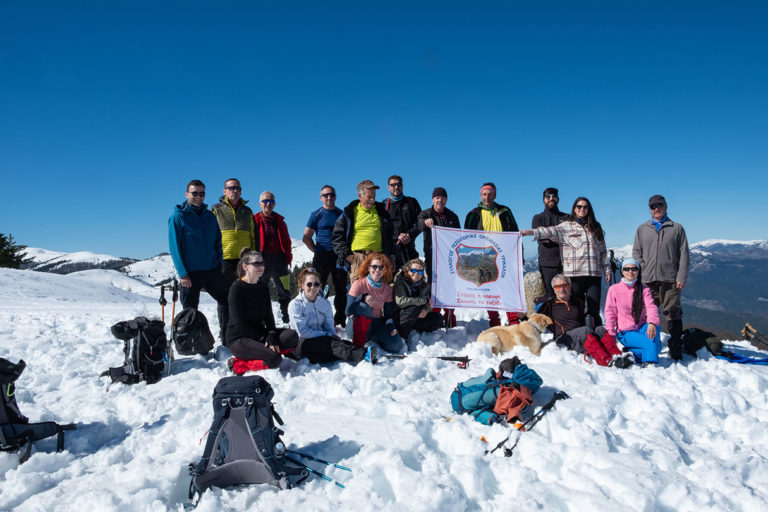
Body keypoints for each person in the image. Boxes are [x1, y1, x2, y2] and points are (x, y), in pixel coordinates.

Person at [521, 196, 610, 325]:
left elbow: (602, 251)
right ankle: (578, 333)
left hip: (593, 274)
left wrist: (606, 269)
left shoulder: (595, 226)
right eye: (579, 206)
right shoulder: (565, 227)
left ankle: (595, 332)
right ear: (574, 209)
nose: (582, 209)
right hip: (574, 275)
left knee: (593, 308)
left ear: (589, 209)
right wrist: (528, 232)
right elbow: (547, 231)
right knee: (576, 307)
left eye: (585, 207)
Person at [168, 179, 229, 339]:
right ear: (187, 194)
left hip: (211, 270)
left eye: (202, 193)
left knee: (226, 300)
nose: (198, 196)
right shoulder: (178, 217)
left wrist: (220, 264)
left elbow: (218, 242)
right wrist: (183, 273)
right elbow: (175, 248)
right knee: (190, 310)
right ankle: (190, 342)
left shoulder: (210, 216)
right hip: (190, 273)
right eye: (194, 193)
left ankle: (227, 336)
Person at [632, 194, 690, 361]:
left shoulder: (677, 228)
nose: (656, 208)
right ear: (650, 209)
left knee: (673, 313)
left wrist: (681, 276)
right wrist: (642, 269)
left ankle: (675, 347)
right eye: (653, 206)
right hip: (647, 280)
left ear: (666, 206)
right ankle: (647, 345)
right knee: (646, 314)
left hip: (670, 279)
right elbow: (636, 252)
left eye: (660, 205)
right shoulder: (642, 229)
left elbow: (684, 254)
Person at [539, 274, 634, 368]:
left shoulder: (578, 302)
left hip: (582, 336)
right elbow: (535, 320)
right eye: (557, 287)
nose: (561, 289)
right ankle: (606, 360)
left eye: (565, 285)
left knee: (600, 329)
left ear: (570, 286)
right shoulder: (549, 305)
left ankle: (618, 355)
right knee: (586, 330)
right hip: (565, 339)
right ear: (554, 289)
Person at [226, 248, 299, 369]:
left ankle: (265, 350)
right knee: (274, 359)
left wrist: (271, 334)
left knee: (291, 337)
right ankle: (238, 364)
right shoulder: (237, 288)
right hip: (239, 338)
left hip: (260, 333)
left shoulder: (263, 287)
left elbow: (268, 315)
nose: (260, 266)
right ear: (245, 267)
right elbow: (239, 324)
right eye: (256, 263)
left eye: (262, 263)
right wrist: (264, 337)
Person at [288, 268, 375, 364]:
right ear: (302, 285)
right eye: (309, 284)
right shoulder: (296, 304)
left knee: (336, 346)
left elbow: (329, 327)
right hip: (302, 342)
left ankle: (363, 352)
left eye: (316, 284)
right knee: (330, 345)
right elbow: (303, 332)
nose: (313, 287)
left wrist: (330, 335)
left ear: (320, 285)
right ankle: (363, 354)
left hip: (321, 341)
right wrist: (327, 335)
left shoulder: (324, 303)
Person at [464, 182, 520, 327]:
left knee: (508, 289)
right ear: (480, 195)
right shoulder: (473, 214)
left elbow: (515, 233)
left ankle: (513, 321)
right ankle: (494, 322)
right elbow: (466, 238)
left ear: (495, 195)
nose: (487, 197)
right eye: (484, 194)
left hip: (505, 257)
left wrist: (520, 254)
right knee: (489, 291)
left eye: (490, 194)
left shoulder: (505, 211)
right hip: (484, 259)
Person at [210, 178, 256, 341]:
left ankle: (244, 331)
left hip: (244, 260)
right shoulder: (216, 209)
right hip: (225, 260)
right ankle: (225, 335)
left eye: (237, 188)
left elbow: (253, 235)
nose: (234, 191)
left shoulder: (247, 211)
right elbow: (211, 235)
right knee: (225, 298)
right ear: (224, 191)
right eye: (231, 188)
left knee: (244, 297)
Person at [302, 185, 348, 327]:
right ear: (321, 197)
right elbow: (306, 237)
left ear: (335, 196)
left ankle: (340, 319)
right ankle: (316, 318)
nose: (329, 197)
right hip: (322, 255)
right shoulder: (317, 214)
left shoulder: (342, 214)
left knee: (341, 288)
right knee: (317, 288)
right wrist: (316, 250)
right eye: (326, 195)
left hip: (339, 255)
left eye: (332, 195)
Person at [332, 180, 394, 281]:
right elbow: (337, 236)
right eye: (369, 196)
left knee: (377, 292)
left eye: (374, 195)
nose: (373, 199)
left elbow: (390, 235)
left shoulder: (382, 212)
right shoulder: (349, 213)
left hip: (378, 257)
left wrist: (391, 256)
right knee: (358, 293)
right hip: (358, 258)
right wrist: (347, 256)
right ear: (360, 196)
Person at [416, 186, 461, 327]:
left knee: (450, 288)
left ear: (446, 200)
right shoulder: (426, 214)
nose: (439, 200)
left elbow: (459, 237)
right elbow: (418, 225)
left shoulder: (453, 217)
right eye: (437, 197)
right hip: (432, 258)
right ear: (432, 199)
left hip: (449, 259)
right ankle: (434, 316)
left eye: (442, 197)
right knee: (433, 288)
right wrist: (425, 223)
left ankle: (449, 316)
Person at [604, 259, 662, 366]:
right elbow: (610, 313)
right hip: (626, 332)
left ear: (638, 271)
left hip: (641, 327)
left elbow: (651, 307)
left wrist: (652, 323)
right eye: (627, 269)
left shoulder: (645, 290)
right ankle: (650, 362)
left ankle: (632, 354)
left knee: (654, 331)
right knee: (652, 342)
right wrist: (611, 334)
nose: (630, 271)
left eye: (634, 269)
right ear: (622, 271)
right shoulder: (614, 289)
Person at [345, 253, 404, 354]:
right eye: (374, 266)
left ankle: (371, 337)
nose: (377, 270)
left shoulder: (387, 289)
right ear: (368, 267)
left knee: (396, 345)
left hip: (376, 323)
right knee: (366, 306)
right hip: (357, 324)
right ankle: (362, 338)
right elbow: (348, 311)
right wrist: (361, 298)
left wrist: (391, 327)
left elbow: (388, 314)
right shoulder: (359, 284)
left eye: (381, 267)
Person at [253, 190, 293, 323]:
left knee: (284, 287)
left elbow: (287, 241)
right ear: (260, 203)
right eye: (265, 201)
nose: (268, 204)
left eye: (271, 201)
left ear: (274, 204)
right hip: (262, 259)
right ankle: (262, 317)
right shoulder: (254, 220)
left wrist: (288, 258)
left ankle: (286, 315)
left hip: (280, 259)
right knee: (260, 287)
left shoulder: (281, 222)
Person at [393, 258, 444, 343]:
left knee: (438, 318)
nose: (416, 273)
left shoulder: (424, 286)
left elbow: (428, 303)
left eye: (420, 271)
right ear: (407, 270)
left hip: (415, 316)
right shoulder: (400, 281)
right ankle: (402, 337)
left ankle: (416, 333)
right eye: (413, 270)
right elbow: (400, 302)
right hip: (399, 316)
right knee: (413, 309)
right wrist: (421, 301)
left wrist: (425, 310)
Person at [531, 187, 569, 299]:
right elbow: (543, 238)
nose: (551, 199)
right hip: (547, 264)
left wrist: (549, 234)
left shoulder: (566, 217)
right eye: (548, 197)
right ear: (543, 199)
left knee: (568, 294)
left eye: (554, 196)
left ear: (558, 199)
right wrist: (561, 236)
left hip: (567, 263)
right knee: (551, 296)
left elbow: (570, 238)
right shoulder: (538, 218)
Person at [384, 174, 422, 268]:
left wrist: (409, 234)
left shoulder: (411, 202)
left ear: (402, 186)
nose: (396, 187)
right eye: (393, 185)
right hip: (392, 252)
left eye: (399, 184)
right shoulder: (384, 205)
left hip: (410, 249)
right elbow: (383, 229)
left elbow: (421, 223)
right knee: (392, 281)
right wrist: (397, 236)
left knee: (412, 278)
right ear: (388, 187)